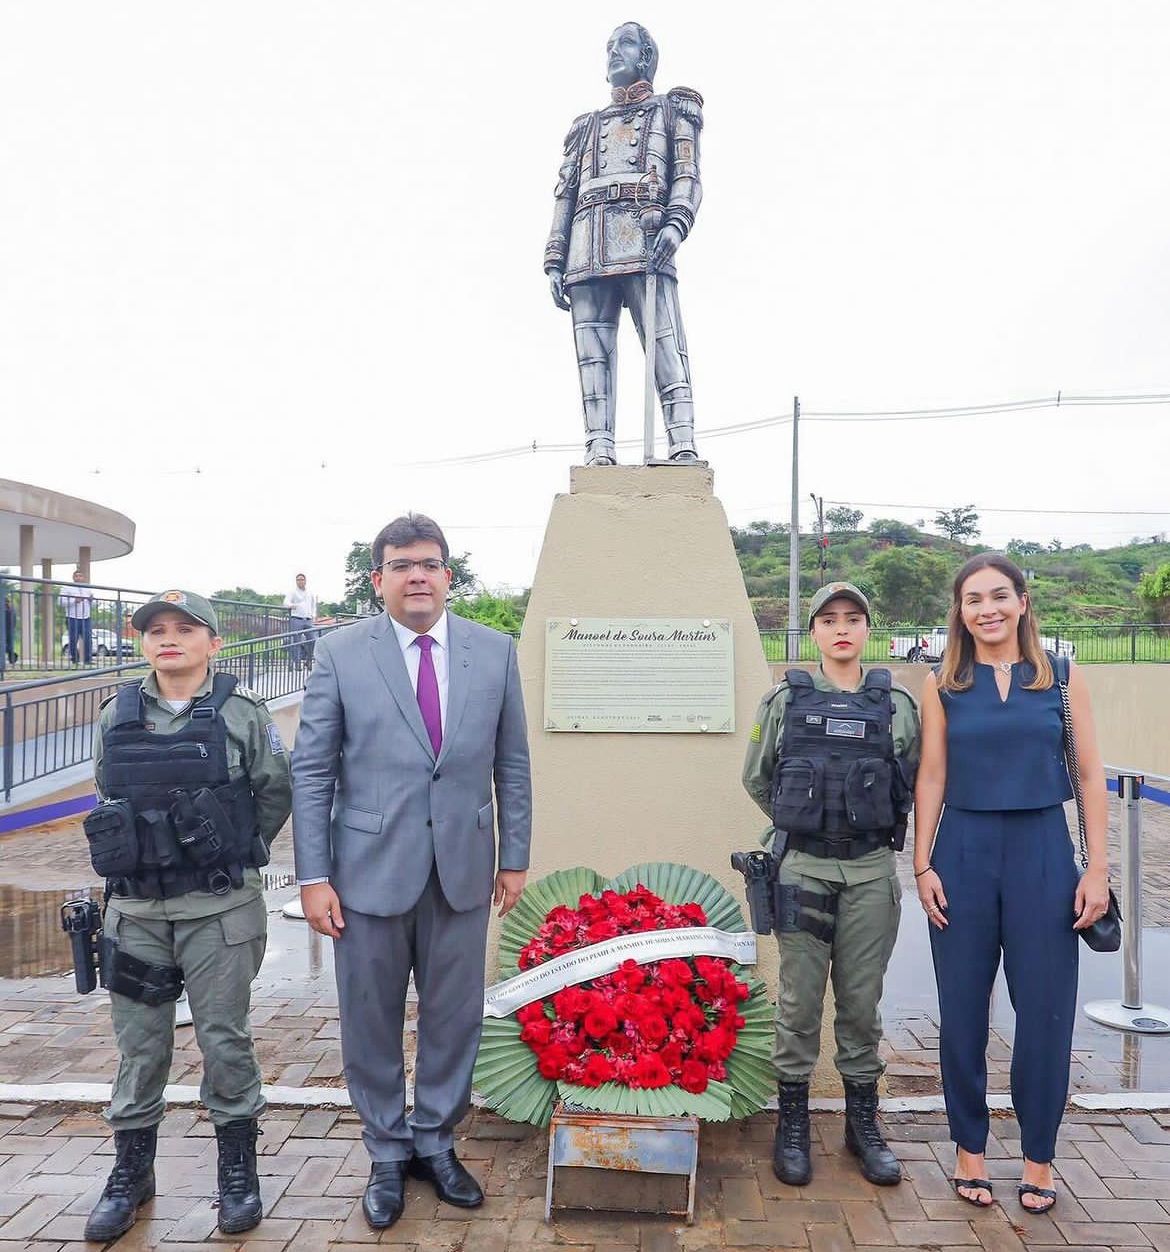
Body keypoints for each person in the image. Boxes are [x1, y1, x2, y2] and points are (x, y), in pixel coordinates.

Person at [292, 512, 532, 1231]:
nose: (417, 575)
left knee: (454, 1018)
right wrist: (313, 877)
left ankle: (436, 1140)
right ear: (379, 581)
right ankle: (387, 1152)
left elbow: (511, 764)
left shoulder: (494, 652)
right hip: (365, 873)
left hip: (462, 868)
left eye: (429, 563)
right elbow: (311, 772)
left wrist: (514, 855)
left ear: (448, 576)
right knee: (369, 1017)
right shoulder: (339, 653)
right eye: (401, 565)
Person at [84, 590, 292, 1242]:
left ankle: (238, 1175)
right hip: (137, 912)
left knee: (224, 1041)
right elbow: (107, 794)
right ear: (142, 641)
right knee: (139, 1049)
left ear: (213, 642)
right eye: (156, 630)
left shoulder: (244, 714)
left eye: (185, 628)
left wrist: (224, 851)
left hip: (218, 908)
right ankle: (131, 1175)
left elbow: (273, 795)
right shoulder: (114, 713)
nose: (168, 638)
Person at [914, 554, 1110, 1214]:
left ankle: (1038, 1158)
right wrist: (922, 864)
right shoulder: (941, 683)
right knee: (963, 1014)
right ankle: (969, 1152)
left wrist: (1099, 870)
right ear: (960, 612)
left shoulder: (1060, 679)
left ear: (1023, 602)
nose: (988, 608)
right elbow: (932, 778)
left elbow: (1088, 776)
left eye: (1000, 595)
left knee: (1046, 1017)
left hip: (1044, 853)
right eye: (974, 599)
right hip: (962, 853)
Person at [742, 582, 919, 1188]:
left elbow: (915, 778)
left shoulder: (896, 703)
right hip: (803, 869)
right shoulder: (783, 702)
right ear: (813, 632)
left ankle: (861, 1125)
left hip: (871, 871)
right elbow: (758, 779)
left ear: (868, 629)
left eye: (854, 618)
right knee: (797, 1002)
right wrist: (805, 822)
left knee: (861, 1003)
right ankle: (792, 1124)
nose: (842, 628)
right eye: (829, 620)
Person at [545, 22, 703, 465]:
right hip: (587, 242)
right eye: (609, 47)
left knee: (664, 344)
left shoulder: (674, 111)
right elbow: (565, 194)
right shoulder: (585, 127)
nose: (614, 53)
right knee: (592, 357)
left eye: (625, 44)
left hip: (646, 236)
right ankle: (599, 445)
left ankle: (682, 440)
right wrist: (554, 257)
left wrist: (676, 224)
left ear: (646, 56)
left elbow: (688, 177)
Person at [284, 572, 318, 669]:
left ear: (305, 581)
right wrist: (292, 606)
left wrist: (313, 615)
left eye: (302, 579)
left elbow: (313, 605)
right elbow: (286, 602)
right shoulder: (292, 592)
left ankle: (309, 661)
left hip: (308, 619)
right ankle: (297, 663)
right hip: (296, 619)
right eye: (298, 580)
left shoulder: (310, 592)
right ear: (296, 581)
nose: (300, 581)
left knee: (312, 640)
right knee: (296, 641)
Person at [61, 568, 94, 665]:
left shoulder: (87, 589)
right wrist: (74, 601)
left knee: (88, 638)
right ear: (73, 577)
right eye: (76, 576)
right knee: (73, 639)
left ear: (83, 578)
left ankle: (88, 660)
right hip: (72, 617)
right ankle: (74, 659)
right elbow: (61, 602)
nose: (78, 578)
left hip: (86, 617)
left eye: (80, 576)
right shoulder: (67, 588)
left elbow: (94, 604)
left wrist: (92, 600)